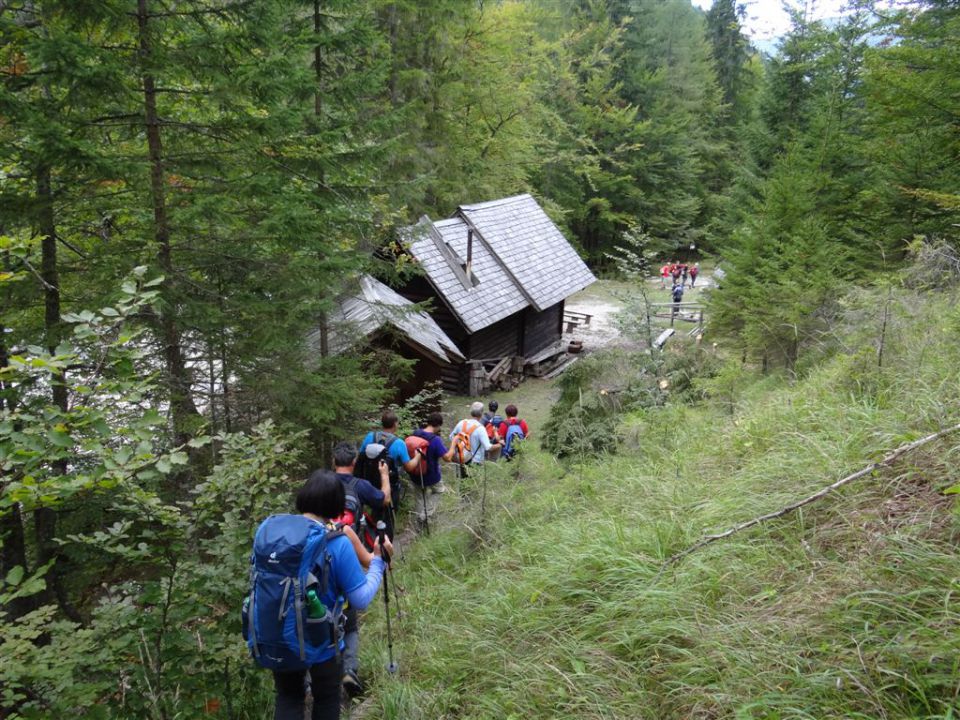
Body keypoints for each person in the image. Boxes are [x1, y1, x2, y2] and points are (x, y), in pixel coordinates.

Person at [268, 470, 392, 720]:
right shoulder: (337, 541)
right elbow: (360, 598)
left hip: (279, 634)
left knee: (289, 697)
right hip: (322, 640)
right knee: (326, 697)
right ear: (336, 505)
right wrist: (378, 561)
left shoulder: (274, 534)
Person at [332, 442, 391, 697]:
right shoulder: (360, 486)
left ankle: (314, 678)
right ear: (354, 463)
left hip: (318, 553)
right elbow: (385, 499)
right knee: (350, 622)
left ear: (333, 462)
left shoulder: (322, 484)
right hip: (349, 551)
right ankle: (349, 670)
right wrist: (385, 476)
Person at [449, 402, 499, 477]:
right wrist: (499, 445)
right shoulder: (480, 428)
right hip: (475, 462)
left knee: (463, 484)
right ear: (481, 414)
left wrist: (461, 444)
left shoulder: (462, 423)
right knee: (474, 485)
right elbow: (488, 447)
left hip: (462, 459)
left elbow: (451, 437)